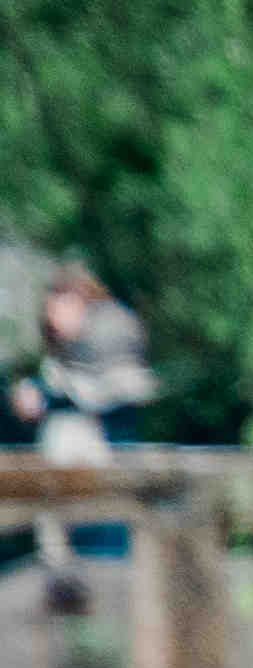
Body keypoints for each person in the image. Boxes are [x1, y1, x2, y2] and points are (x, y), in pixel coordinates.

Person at [16, 260, 155, 611]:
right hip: (81, 477)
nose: (53, 321)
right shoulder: (68, 347)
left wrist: (48, 397)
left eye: (57, 310)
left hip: (109, 461)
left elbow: (103, 394)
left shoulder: (113, 330)